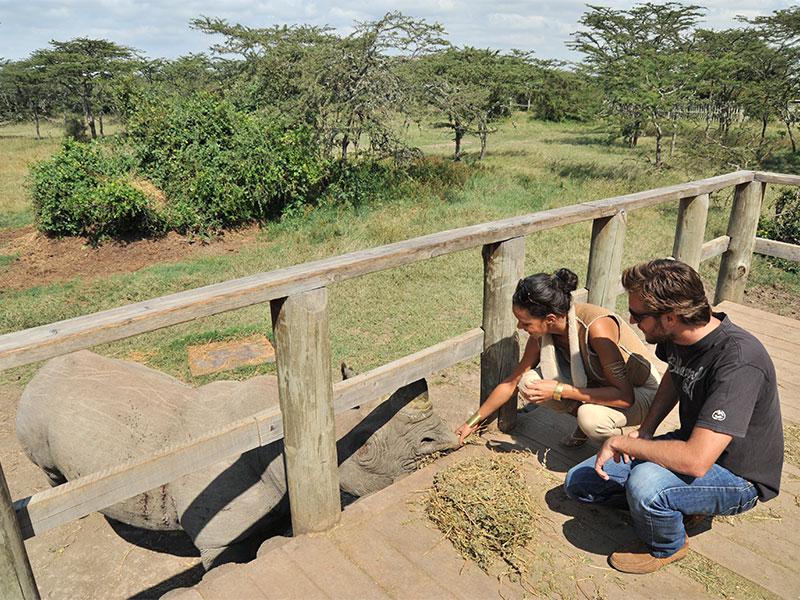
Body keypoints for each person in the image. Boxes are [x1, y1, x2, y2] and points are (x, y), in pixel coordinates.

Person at [564, 259, 784, 574]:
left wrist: (624, 443)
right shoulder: (677, 336)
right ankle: (684, 503)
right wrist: (646, 431)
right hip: (692, 445)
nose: (631, 320)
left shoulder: (739, 361)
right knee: (582, 483)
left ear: (669, 317)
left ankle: (668, 545)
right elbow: (674, 377)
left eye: (638, 315)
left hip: (737, 475)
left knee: (646, 484)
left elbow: (695, 461)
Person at [456, 268, 661, 447]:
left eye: (525, 323)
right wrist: (471, 423)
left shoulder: (596, 327)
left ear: (550, 319)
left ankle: (625, 451)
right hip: (602, 386)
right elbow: (512, 382)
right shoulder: (543, 334)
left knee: (590, 418)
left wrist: (560, 390)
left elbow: (624, 397)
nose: (520, 327)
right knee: (529, 383)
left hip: (641, 390)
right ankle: (585, 424)